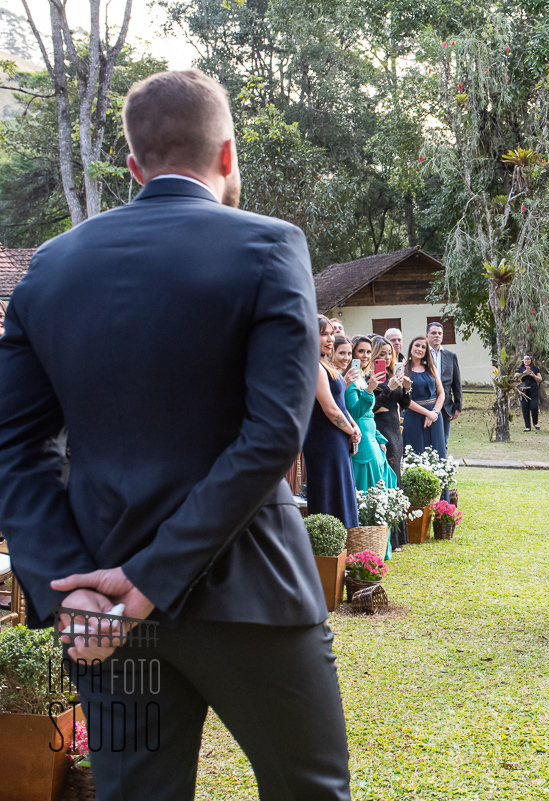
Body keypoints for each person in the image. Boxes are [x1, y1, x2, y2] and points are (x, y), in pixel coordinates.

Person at [0, 70, 350, 799]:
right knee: (309, 789)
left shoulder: (50, 268)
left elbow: (15, 447)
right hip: (252, 598)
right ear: (228, 156)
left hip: (106, 611)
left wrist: (72, 590)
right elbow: (272, 435)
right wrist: (150, 580)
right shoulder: (270, 245)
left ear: (133, 166)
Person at [307, 328, 361, 529]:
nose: (330, 338)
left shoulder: (326, 365)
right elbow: (330, 409)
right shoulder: (314, 366)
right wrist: (351, 431)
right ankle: (329, 553)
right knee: (329, 495)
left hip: (337, 439)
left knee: (342, 492)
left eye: (331, 333)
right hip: (324, 441)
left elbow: (341, 404)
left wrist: (354, 426)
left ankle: (346, 546)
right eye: (323, 333)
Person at [346, 336, 398, 501]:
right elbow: (353, 414)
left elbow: (369, 416)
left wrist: (379, 438)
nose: (365, 355)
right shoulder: (351, 381)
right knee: (368, 491)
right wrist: (370, 390)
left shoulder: (361, 377)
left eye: (368, 352)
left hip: (373, 442)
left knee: (384, 486)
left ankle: (379, 527)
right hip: (362, 445)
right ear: (352, 353)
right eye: (361, 351)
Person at [370, 336, 411, 481]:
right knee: (386, 471)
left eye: (389, 353)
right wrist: (388, 388)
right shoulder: (371, 377)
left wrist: (406, 389)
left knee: (396, 469)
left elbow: (404, 404)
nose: (387, 357)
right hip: (380, 426)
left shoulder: (392, 373)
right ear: (374, 354)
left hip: (394, 427)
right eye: (382, 354)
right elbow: (371, 406)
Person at [402, 335, 447, 459]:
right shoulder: (403, 370)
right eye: (417, 345)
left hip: (434, 416)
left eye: (423, 347)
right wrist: (427, 413)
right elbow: (405, 399)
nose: (420, 349)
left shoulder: (431, 368)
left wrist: (434, 412)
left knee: (437, 449)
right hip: (413, 416)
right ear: (411, 348)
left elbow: (441, 393)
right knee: (415, 450)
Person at [426, 321, 462, 443]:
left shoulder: (451, 356)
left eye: (439, 333)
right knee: (427, 440)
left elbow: (456, 383)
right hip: (426, 403)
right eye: (433, 333)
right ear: (427, 336)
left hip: (446, 406)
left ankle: (443, 461)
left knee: (443, 441)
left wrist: (458, 406)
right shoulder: (421, 354)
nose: (437, 336)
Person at [515, 353, 543, 432]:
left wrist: (533, 375)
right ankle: (527, 426)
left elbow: (540, 379)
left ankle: (535, 423)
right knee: (525, 408)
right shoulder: (519, 369)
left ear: (531, 360)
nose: (527, 361)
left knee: (534, 406)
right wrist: (524, 373)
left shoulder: (535, 369)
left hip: (533, 389)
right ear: (523, 360)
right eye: (526, 359)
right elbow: (516, 378)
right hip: (523, 389)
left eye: (528, 359)